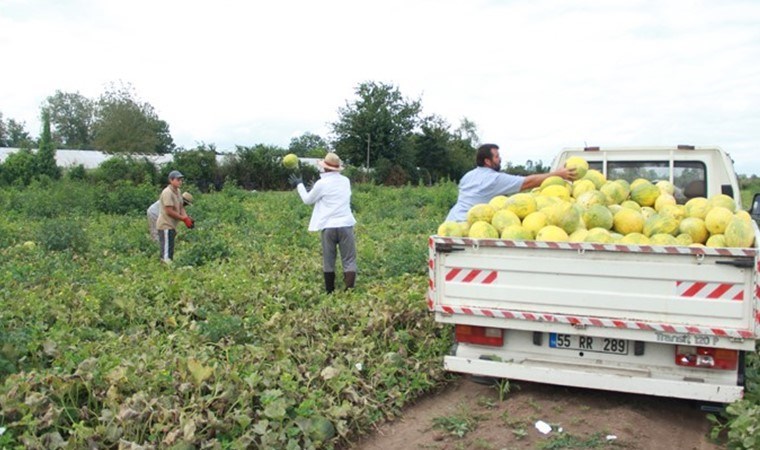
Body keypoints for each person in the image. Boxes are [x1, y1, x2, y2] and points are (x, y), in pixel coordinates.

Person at [446, 143, 577, 222]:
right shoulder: (494, 179)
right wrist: (558, 174)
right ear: (487, 161)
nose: (500, 159)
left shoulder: (467, 176)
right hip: (468, 224)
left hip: (451, 220)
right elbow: (528, 182)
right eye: (496, 157)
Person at [288, 153, 357, 293]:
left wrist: (299, 184)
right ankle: (349, 292)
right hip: (345, 224)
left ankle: (329, 292)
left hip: (328, 226)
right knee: (349, 260)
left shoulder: (321, 184)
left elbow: (308, 200)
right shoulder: (345, 181)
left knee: (328, 260)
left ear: (325, 168)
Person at [156, 170, 194, 262]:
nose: (180, 182)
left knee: (170, 249)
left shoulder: (178, 191)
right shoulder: (167, 192)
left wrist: (186, 218)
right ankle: (166, 271)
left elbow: (181, 207)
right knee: (166, 253)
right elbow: (169, 211)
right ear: (171, 180)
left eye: (181, 180)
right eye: (178, 180)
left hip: (172, 225)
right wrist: (183, 219)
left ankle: (169, 269)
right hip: (165, 225)